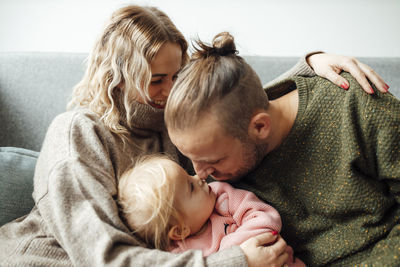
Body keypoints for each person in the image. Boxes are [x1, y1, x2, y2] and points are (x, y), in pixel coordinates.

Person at [0, 4, 389, 266]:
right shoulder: (78, 134)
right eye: (156, 80)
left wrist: (307, 68)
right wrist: (236, 261)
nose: (170, 91)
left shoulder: (169, 127)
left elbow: (232, 108)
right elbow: (105, 257)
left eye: (177, 76)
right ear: (116, 77)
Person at [164, 31, 400, 266]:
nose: (201, 174)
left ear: (260, 127)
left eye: (213, 160)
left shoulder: (353, 106)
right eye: (191, 159)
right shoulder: (219, 175)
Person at [118, 154, 306, 266]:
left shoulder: (221, 196)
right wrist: (232, 258)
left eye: (188, 175)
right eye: (190, 187)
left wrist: (231, 252)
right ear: (180, 231)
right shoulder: (178, 256)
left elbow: (266, 219)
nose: (198, 177)